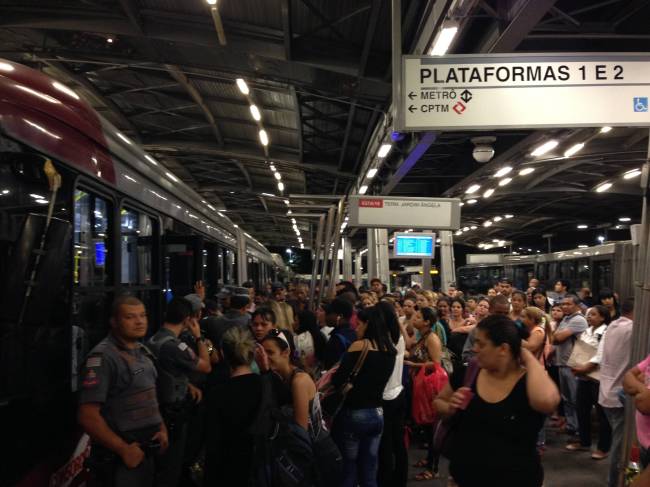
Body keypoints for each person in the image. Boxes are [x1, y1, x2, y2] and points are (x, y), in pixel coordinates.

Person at [434, 315, 560, 487]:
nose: (475, 349)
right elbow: (439, 402)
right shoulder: (468, 373)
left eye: (481, 344)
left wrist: (527, 356)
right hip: (466, 477)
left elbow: (547, 402)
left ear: (503, 349)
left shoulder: (529, 382)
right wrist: (449, 408)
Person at [78, 296, 168, 487]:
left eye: (143, 315)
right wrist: (123, 449)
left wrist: (161, 428)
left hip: (147, 452)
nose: (139, 321)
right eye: (130, 317)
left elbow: (149, 396)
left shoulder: (143, 352)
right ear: (114, 322)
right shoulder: (103, 358)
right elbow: (88, 416)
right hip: (121, 459)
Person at [147, 297, 211, 487]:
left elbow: (166, 372)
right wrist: (198, 336)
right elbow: (206, 366)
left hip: (159, 407)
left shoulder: (154, 339)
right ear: (187, 320)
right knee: (172, 466)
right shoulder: (176, 346)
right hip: (173, 412)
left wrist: (187, 384)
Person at [331, 305, 396, 487]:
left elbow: (338, 380)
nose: (355, 328)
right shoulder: (389, 349)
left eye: (359, 324)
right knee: (369, 471)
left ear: (368, 324)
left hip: (354, 413)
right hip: (377, 414)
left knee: (349, 468)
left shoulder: (359, 346)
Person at [204, 326, 262, 486]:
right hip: (258, 466)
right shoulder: (265, 386)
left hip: (225, 468)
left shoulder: (217, 393)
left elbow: (211, 439)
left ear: (223, 354)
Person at [597, 298, 634, 487]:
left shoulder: (612, 326)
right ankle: (614, 482)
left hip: (606, 391)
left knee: (618, 442)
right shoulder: (633, 330)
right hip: (620, 394)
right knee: (620, 447)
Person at [567, 305, 611, 459]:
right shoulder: (587, 331)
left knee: (602, 413)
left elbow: (601, 355)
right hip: (583, 377)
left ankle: (603, 447)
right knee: (581, 408)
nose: (589, 316)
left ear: (602, 317)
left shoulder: (606, 332)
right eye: (588, 314)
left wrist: (585, 367)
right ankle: (584, 441)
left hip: (597, 377)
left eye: (593, 314)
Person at [406, 307, 443, 481]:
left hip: (429, 386)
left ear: (427, 322)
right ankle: (429, 459)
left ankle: (433, 467)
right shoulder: (423, 337)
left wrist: (413, 365)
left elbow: (436, 364)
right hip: (421, 383)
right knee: (426, 426)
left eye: (419, 317)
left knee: (431, 427)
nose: (415, 318)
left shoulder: (432, 338)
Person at [376, 302, 408, 487]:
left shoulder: (382, 340)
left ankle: (386, 481)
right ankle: (400, 480)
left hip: (385, 395)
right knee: (398, 442)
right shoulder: (399, 337)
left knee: (385, 445)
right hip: (398, 391)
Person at [552, 295, 588, 440]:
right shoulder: (566, 319)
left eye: (568, 304)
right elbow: (554, 336)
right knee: (567, 398)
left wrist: (556, 335)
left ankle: (580, 430)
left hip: (573, 365)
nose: (564, 306)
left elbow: (557, 338)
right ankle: (571, 426)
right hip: (562, 363)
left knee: (575, 399)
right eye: (563, 304)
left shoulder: (578, 320)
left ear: (577, 305)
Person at [323, 297, 357, 369]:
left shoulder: (338, 339)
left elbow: (331, 366)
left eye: (330, 313)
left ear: (340, 316)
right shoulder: (352, 333)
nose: (326, 316)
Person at [294, 309, 328, 375]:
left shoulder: (300, 339)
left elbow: (297, 356)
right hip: (318, 372)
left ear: (302, 322)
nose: (293, 323)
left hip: (303, 373)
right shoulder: (321, 335)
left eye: (296, 320)